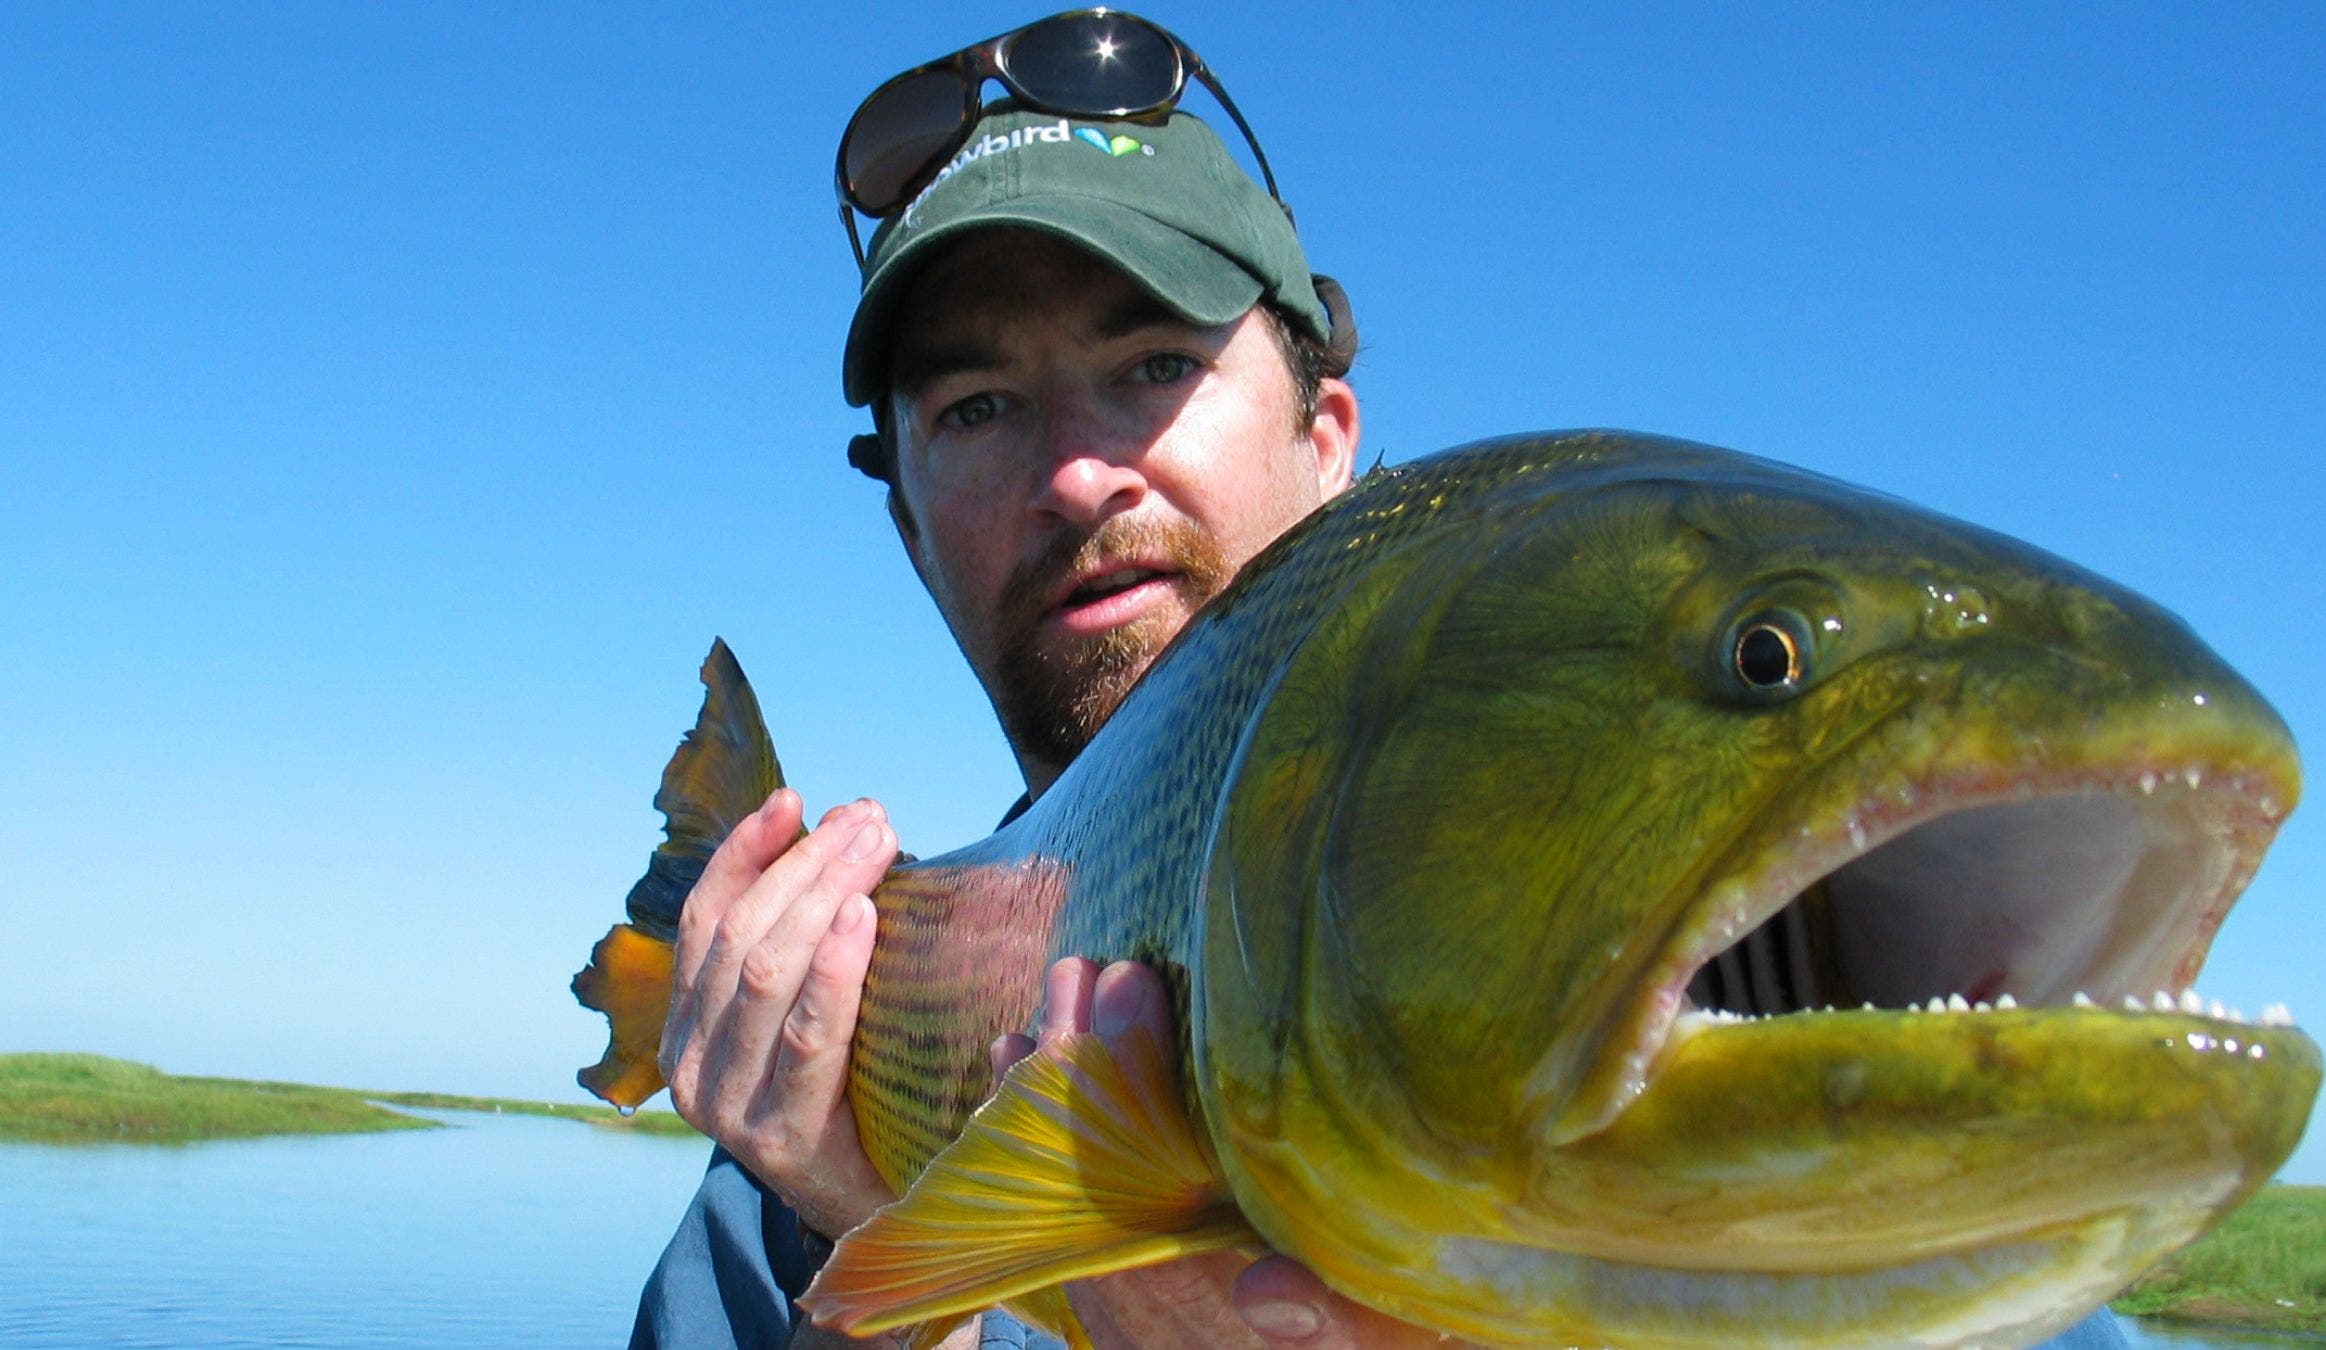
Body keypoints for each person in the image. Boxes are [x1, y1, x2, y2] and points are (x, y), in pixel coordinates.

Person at [627, 11, 2133, 1349]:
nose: (1080, 470)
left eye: (1155, 361)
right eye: (976, 404)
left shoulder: (1875, 1188)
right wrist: (875, 1287)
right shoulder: (788, 1171)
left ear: (1329, 435)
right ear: (910, 526)